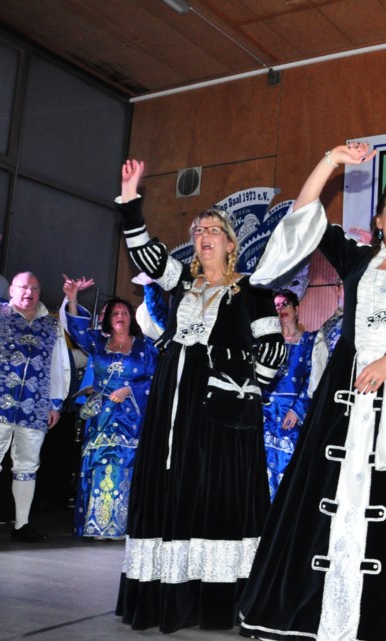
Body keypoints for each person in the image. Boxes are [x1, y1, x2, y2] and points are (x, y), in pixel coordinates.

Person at [240, 142, 386, 641]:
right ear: (378, 220)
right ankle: (311, 612)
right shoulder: (354, 259)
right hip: (341, 396)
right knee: (316, 499)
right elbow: (305, 215)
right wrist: (329, 161)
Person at [114, 159, 286, 632]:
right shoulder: (182, 283)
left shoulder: (251, 290)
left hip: (218, 411)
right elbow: (149, 258)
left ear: (231, 243)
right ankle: (165, 596)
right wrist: (130, 201)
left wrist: (241, 392)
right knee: (171, 489)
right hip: (171, 403)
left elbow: (273, 350)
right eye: (198, 230)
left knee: (214, 493)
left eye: (214, 230)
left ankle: (216, 600)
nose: (204, 235)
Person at [0, 253, 71, 549]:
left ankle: (22, 524)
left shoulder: (51, 326)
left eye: (34, 288)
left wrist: (55, 402)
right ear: (11, 290)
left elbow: (59, 365)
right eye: (23, 287)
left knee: (28, 465)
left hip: (34, 406)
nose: (29, 292)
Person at [62, 280, 158, 539]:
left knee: (125, 464)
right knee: (98, 462)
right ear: (108, 318)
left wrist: (129, 390)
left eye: (125, 312)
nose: (120, 316)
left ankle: (121, 525)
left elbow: (156, 380)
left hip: (131, 417)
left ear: (131, 318)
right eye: (115, 312)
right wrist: (73, 298)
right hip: (101, 417)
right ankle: (97, 524)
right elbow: (77, 332)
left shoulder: (145, 348)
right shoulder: (97, 341)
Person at [263, 288, 316, 499]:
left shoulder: (310, 341)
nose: (281, 308)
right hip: (266, 411)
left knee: (289, 464)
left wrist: (297, 410)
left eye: (285, 304)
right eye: (276, 305)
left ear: (297, 309)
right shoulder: (267, 342)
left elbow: (313, 378)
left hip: (292, 413)